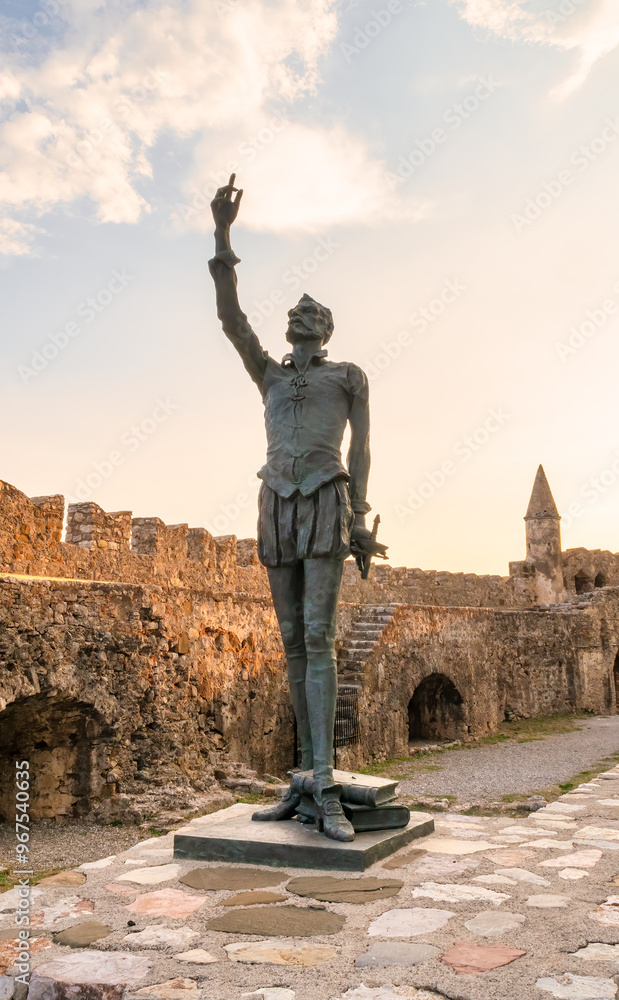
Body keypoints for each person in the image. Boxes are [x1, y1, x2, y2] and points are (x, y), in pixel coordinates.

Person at [209, 175, 386, 841]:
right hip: (274, 500)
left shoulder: (349, 376)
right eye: (295, 313)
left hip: (326, 500)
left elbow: (363, 448)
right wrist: (223, 236)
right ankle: (304, 781)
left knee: (317, 639)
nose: (301, 316)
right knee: (288, 641)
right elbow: (230, 320)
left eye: (312, 315)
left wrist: (360, 518)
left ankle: (326, 780)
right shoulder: (271, 374)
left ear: (327, 330)